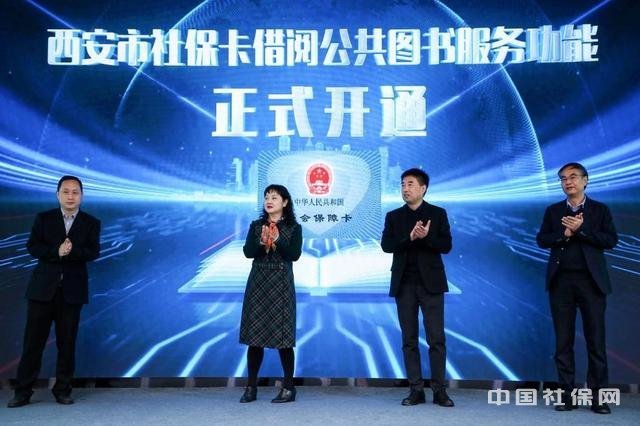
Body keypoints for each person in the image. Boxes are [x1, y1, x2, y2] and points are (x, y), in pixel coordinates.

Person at [8, 176, 101, 408]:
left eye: (75, 192)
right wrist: (56, 251)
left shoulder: (91, 222)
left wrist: (71, 251)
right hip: (42, 291)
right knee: (33, 344)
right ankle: (22, 392)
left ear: (82, 196)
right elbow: (33, 246)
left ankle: (62, 390)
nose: (70, 196)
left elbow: (93, 252)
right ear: (57, 194)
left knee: (66, 344)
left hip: (72, 292)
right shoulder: (44, 218)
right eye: (66, 191)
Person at [536, 162, 618, 415]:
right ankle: (566, 395)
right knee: (563, 342)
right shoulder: (553, 211)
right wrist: (565, 235)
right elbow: (542, 239)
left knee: (596, 342)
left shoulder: (599, 210)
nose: (568, 182)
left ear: (585, 180)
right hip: (561, 283)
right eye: (563, 178)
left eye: (573, 177)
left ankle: (598, 398)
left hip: (592, 283)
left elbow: (610, 240)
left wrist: (581, 230)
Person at [381, 168, 454, 407]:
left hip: (431, 284)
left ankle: (440, 391)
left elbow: (446, 245)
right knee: (409, 339)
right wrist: (410, 237)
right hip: (404, 284)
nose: (405, 188)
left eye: (410, 184)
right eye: (403, 184)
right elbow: (386, 245)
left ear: (423, 188)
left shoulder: (437, 213)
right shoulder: (394, 216)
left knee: (436, 339)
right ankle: (416, 390)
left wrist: (426, 237)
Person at [238, 184, 303, 403]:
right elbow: (248, 253)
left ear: (285, 202)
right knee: (254, 338)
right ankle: (251, 387)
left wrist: (277, 240)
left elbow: (294, 255)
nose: (269, 200)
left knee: (284, 339)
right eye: (267, 197)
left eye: (274, 197)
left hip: (281, 285)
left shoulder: (294, 228)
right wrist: (261, 242)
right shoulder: (256, 225)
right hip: (258, 283)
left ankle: (289, 388)